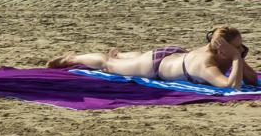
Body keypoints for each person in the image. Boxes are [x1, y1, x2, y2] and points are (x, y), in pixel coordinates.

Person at [48, 26, 258, 89]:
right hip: (156, 65)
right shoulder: (207, 64)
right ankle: (71, 58)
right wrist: (236, 59)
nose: (242, 50)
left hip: (175, 56)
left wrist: (237, 55)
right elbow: (232, 87)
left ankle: (121, 53)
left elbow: (250, 79)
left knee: (134, 58)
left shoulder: (224, 53)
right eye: (238, 47)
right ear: (223, 50)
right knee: (108, 64)